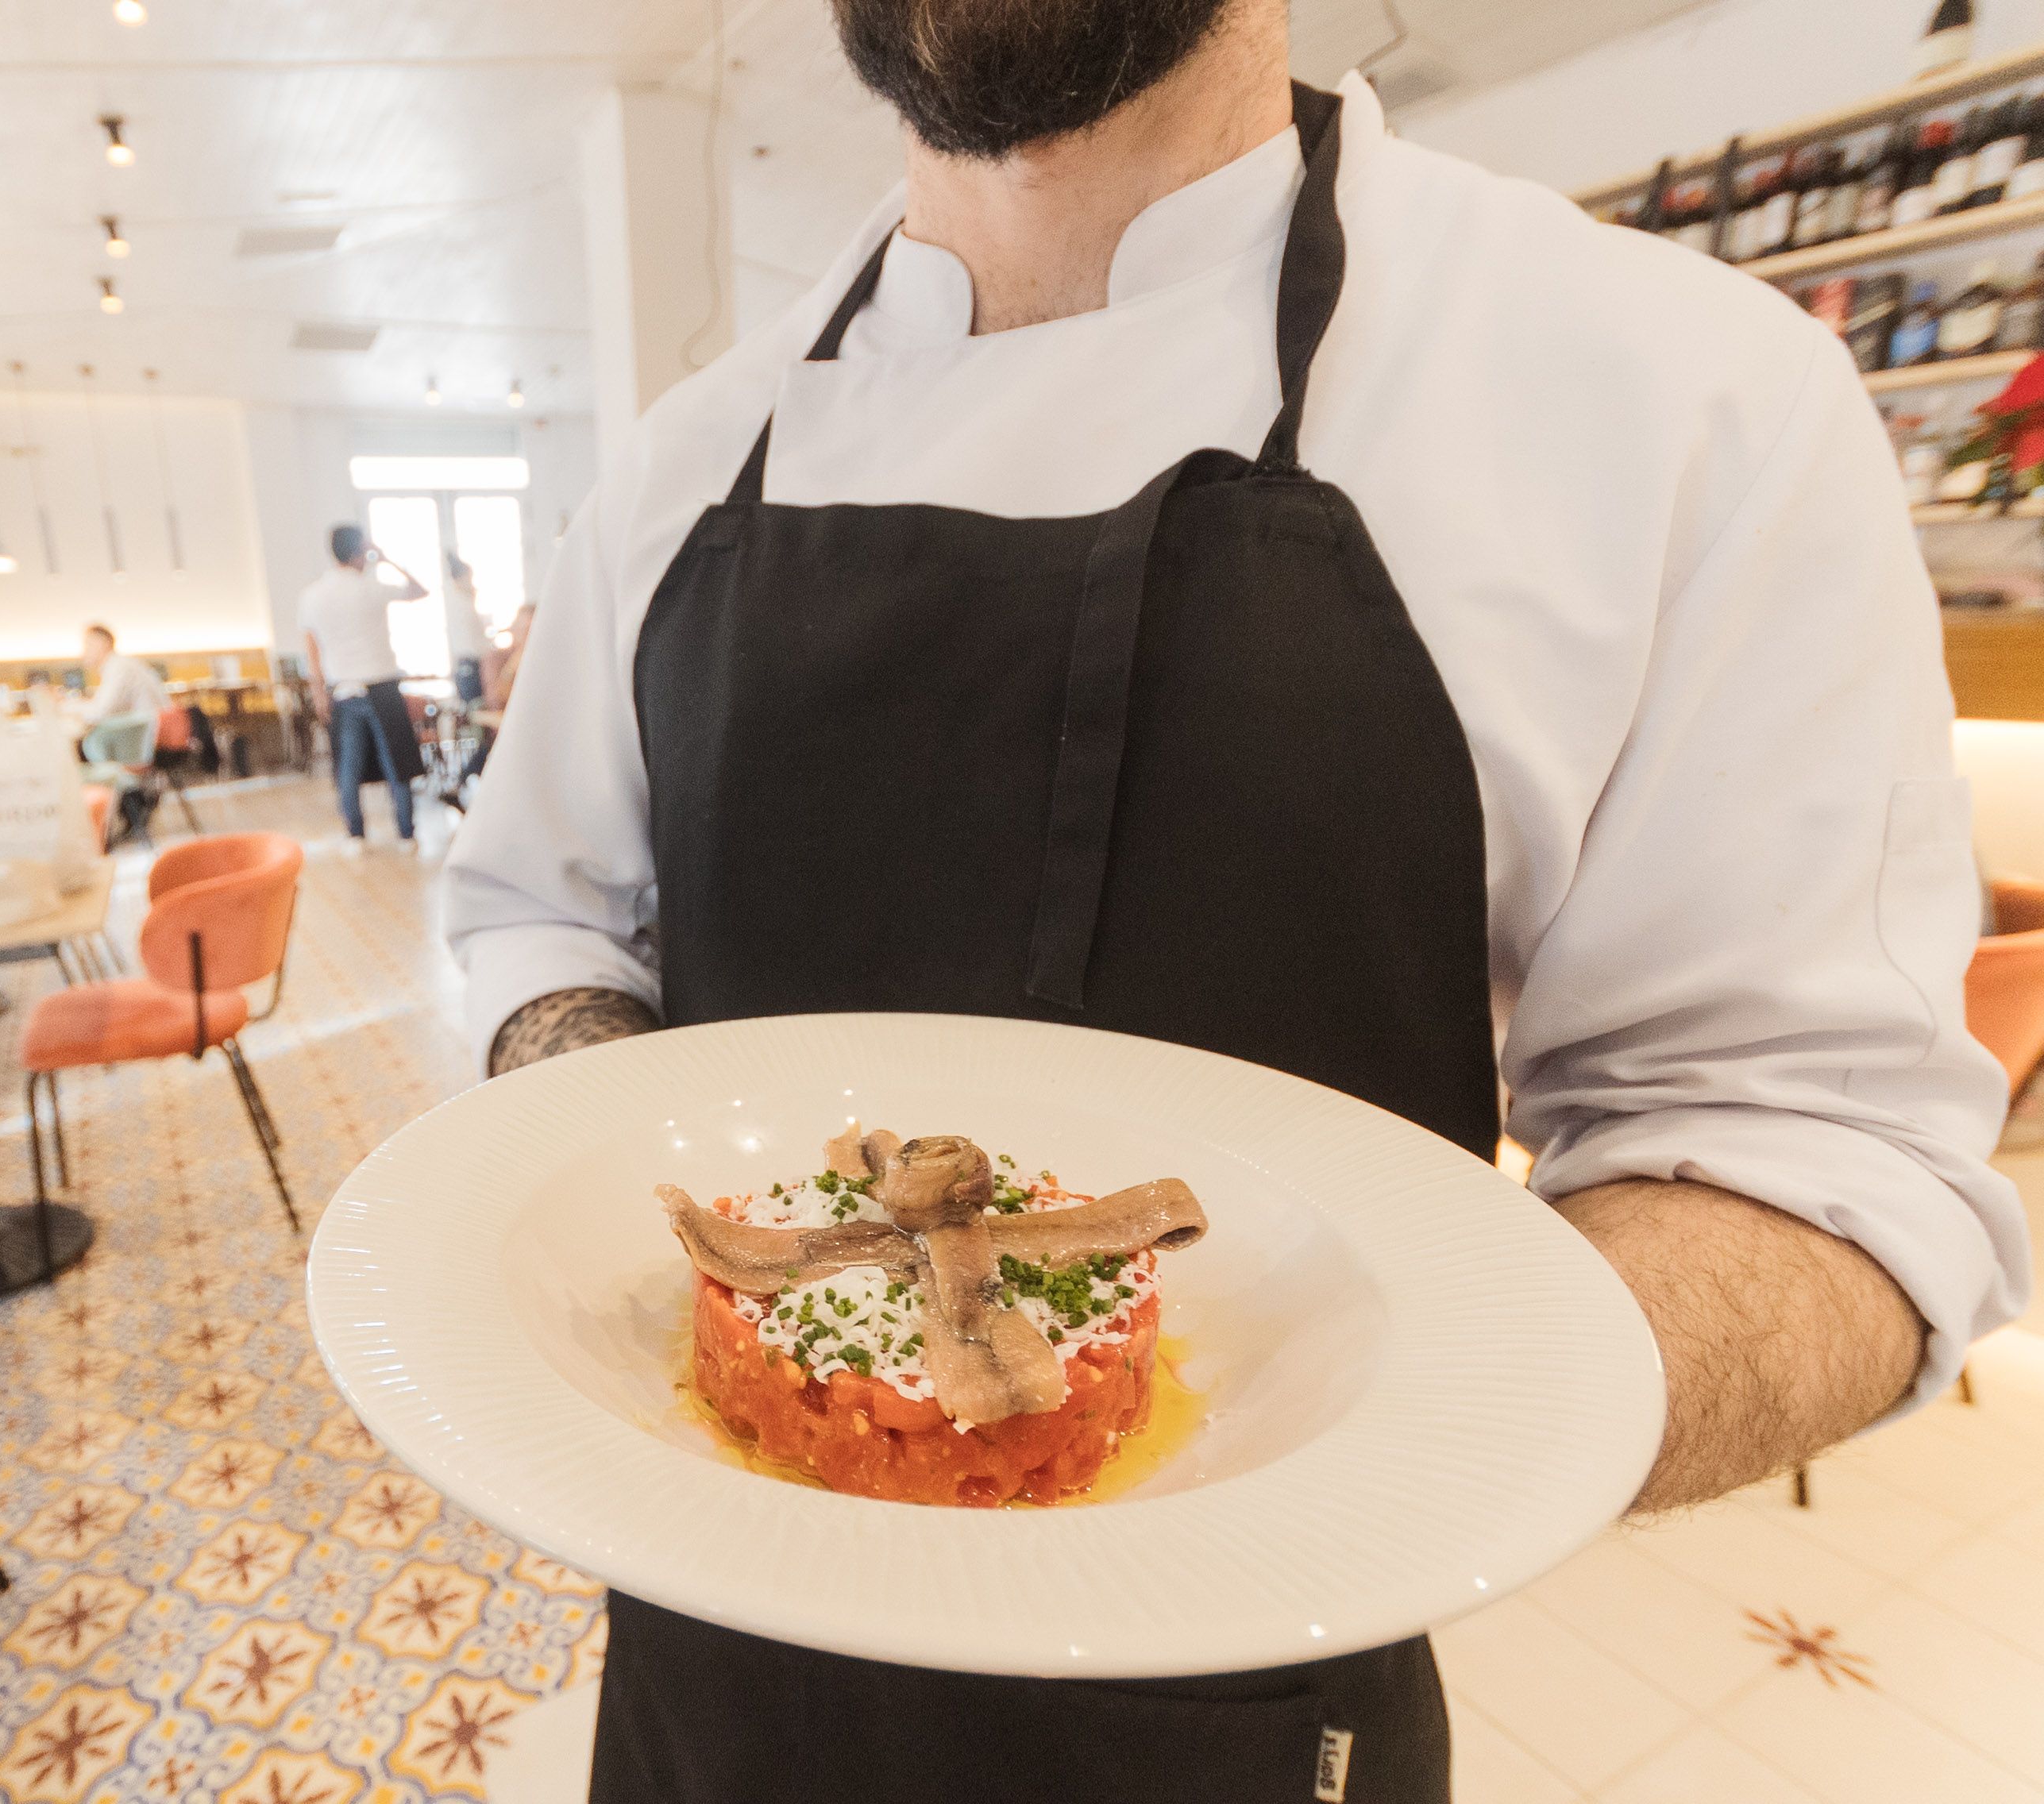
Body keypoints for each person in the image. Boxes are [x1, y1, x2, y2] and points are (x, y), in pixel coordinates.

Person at [442, 4, 2030, 1800]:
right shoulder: (674, 465)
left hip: (1248, 1738)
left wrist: (1336, 1435)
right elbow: (535, 923)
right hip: (705, 1702)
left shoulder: (1671, 396)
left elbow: (1819, 1167)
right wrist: (594, 1173)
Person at [299, 523, 429, 845]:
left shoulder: (312, 596)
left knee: (348, 768)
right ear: (361, 551)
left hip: (342, 691)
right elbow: (420, 591)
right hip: (382, 687)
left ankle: (356, 836)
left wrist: (318, 695)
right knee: (396, 763)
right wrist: (386, 559)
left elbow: (312, 653)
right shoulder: (372, 588)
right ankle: (406, 833)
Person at [79, 623, 172, 728]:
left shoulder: (118, 667)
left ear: (103, 643)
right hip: (148, 733)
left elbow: (100, 713)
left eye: (88, 644)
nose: (84, 652)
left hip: (150, 736)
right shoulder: (122, 664)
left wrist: (68, 706)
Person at [442, 550, 492, 703]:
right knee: (474, 708)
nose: (472, 582)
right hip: (470, 665)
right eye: (469, 578)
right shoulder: (460, 604)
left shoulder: (464, 602)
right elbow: (475, 640)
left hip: (469, 665)